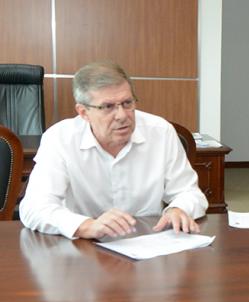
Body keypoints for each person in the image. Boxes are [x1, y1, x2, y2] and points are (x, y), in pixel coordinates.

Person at [20, 61, 208, 239]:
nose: (122, 116)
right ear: (84, 112)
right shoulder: (60, 138)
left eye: (127, 103)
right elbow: (34, 207)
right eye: (108, 107)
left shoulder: (160, 132)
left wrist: (178, 209)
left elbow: (190, 193)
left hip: (148, 245)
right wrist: (87, 226)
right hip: (84, 250)